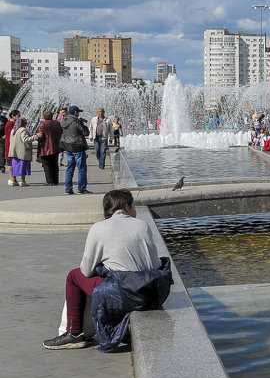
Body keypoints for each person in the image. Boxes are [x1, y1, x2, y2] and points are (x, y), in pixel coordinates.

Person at [42, 189, 171, 350]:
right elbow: (154, 265)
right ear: (126, 207)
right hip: (147, 294)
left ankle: (74, 334)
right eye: (134, 206)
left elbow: (86, 270)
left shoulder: (98, 228)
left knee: (73, 276)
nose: (135, 210)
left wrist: (102, 266)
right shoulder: (142, 226)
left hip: (121, 293)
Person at [61, 105, 91, 195]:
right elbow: (86, 132)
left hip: (68, 146)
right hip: (77, 146)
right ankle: (81, 188)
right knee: (81, 168)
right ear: (75, 113)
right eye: (78, 112)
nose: (78, 114)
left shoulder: (64, 121)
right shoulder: (77, 121)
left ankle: (68, 188)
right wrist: (83, 124)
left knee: (70, 167)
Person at [35, 110, 63, 186]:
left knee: (47, 165)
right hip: (55, 146)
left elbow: (40, 136)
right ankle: (55, 180)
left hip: (45, 147)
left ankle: (49, 181)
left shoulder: (42, 125)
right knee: (54, 164)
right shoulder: (57, 123)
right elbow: (61, 132)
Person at [7, 117, 33, 187]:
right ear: (24, 123)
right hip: (22, 151)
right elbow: (25, 139)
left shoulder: (13, 130)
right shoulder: (23, 130)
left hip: (14, 151)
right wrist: (35, 137)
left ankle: (13, 180)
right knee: (23, 166)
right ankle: (22, 181)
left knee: (15, 166)